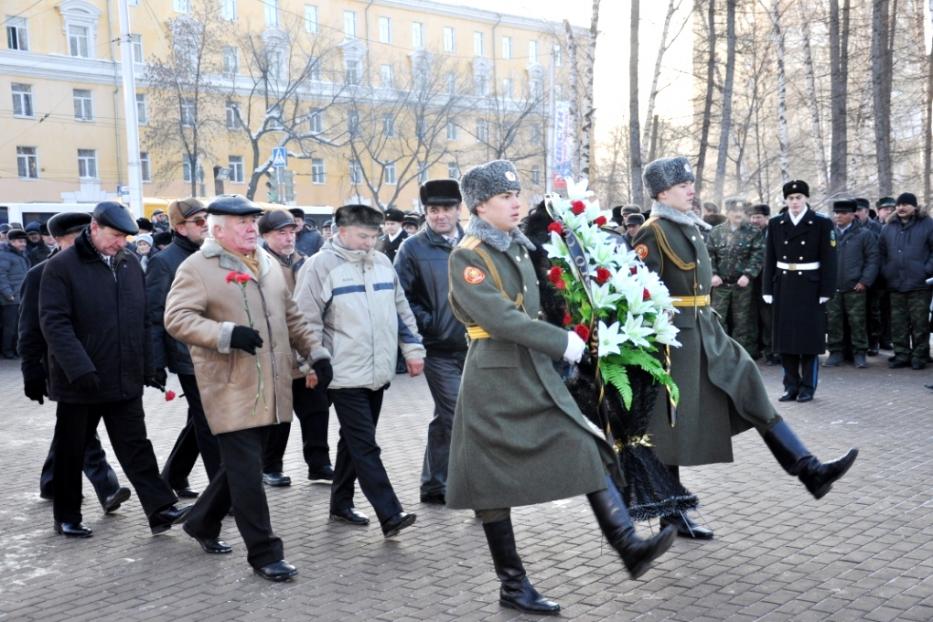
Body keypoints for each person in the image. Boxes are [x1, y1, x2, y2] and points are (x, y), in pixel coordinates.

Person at [448, 160, 676, 615]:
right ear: (479, 206)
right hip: (495, 377)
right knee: (492, 484)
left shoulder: (515, 246)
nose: (516, 203)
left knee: (585, 445)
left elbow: (538, 306)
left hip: (532, 370)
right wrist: (562, 343)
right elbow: (499, 318)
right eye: (504, 198)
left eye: (517, 195)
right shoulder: (469, 255)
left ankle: (628, 545)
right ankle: (513, 585)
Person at [633, 158, 858, 540]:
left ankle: (809, 469)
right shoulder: (652, 233)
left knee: (750, 388)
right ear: (661, 193)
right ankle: (673, 514)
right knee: (669, 425)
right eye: (682, 184)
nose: (691, 189)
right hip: (675, 341)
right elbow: (637, 292)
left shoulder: (687, 226)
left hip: (707, 330)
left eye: (691, 182)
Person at [165, 195, 332, 582]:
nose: (250, 228)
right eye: (240, 223)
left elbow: (291, 314)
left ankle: (202, 522)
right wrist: (225, 333)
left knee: (246, 466)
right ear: (216, 229)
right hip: (230, 384)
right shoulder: (197, 268)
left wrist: (315, 352)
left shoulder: (267, 262)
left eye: (252, 221)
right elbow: (176, 318)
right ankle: (264, 553)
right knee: (246, 475)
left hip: (272, 385)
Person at [40, 201, 190, 538]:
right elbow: (55, 324)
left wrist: (149, 364)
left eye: (125, 236)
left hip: (124, 377)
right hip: (81, 382)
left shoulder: (129, 264)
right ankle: (67, 515)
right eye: (115, 235)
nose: (121, 242)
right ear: (94, 227)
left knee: (137, 446)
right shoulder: (62, 266)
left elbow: (140, 319)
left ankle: (161, 509)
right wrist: (80, 369)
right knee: (71, 450)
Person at [295, 204, 421, 538]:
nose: (369, 243)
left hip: (378, 371)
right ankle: (390, 512)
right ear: (342, 231)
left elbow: (401, 310)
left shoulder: (381, 263)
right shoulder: (318, 267)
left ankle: (340, 504)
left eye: (373, 237)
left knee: (353, 442)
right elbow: (304, 321)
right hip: (341, 372)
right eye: (363, 236)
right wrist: (312, 362)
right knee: (365, 444)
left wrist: (412, 349)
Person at [20, 211, 130, 513]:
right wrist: (31, 368)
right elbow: (30, 327)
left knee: (72, 431)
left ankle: (52, 482)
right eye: (71, 240)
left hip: (96, 366)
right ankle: (107, 486)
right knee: (81, 431)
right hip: (61, 367)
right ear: (56, 241)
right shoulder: (40, 274)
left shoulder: (100, 267)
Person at [395, 179, 467, 505]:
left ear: (458, 209)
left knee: (445, 418)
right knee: (461, 417)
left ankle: (433, 484)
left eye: (446, 209)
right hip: (438, 349)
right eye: (433, 210)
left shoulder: (474, 244)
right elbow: (401, 298)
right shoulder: (412, 248)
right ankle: (479, 492)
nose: (440, 216)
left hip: (475, 347)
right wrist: (429, 324)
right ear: (425, 212)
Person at [145, 198, 219, 499]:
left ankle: (173, 476)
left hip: (215, 349)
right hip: (187, 355)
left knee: (199, 421)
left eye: (208, 220)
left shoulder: (213, 255)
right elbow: (154, 315)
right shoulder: (165, 262)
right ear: (179, 227)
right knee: (210, 423)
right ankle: (220, 494)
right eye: (199, 221)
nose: (206, 226)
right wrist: (156, 363)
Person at [258, 210, 334, 487]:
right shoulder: (258, 265)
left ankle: (319, 464)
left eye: (291, 231)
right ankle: (270, 466)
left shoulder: (305, 262)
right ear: (265, 236)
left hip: (306, 347)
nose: (289, 237)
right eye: (281, 232)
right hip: (276, 352)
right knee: (279, 415)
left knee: (317, 409)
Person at [761, 179, 837, 402]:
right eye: (791, 198)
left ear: (806, 199)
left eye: (799, 198)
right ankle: (790, 385)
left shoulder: (821, 223)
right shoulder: (776, 223)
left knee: (808, 340)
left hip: (810, 287)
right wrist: (768, 287)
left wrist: (826, 289)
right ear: (786, 200)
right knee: (786, 341)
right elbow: (770, 258)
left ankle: (807, 387)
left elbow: (830, 259)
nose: (794, 202)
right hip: (784, 284)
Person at [878, 192, 933, 370]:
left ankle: (920, 356)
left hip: (919, 285)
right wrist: (887, 271)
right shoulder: (888, 227)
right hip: (895, 284)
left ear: (914, 207)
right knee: (898, 323)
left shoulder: (928, 225)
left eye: (906, 205)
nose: (901, 208)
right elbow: (881, 253)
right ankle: (901, 354)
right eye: (899, 205)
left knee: (920, 323)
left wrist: (926, 270)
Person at [823, 200, 879, 369]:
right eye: (836, 213)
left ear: (852, 215)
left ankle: (859, 353)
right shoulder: (829, 233)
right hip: (833, 287)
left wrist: (864, 281)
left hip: (855, 287)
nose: (838, 216)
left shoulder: (864, 234)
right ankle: (835, 353)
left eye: (842, 213)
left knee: (857, 322)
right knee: (833, 321)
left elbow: (873, 260)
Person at [706, 202, 765, 357]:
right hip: (721, 284)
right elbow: (708, 254)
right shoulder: (716, 232)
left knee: (743, 320)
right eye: (734, 211)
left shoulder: (753, 232)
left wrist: (748, 274)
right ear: (728, 212)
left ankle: (742, 355)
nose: (738, 214)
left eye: (741, 211)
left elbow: (758, 255)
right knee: (718, 318)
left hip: (742, 284)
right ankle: (721, 353)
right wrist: (713, 274)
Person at [0, 228, 30, 358]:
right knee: (10, 327)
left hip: (20, 296)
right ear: (11, 241)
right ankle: (7, 351)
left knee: (19, 326)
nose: (23, 244)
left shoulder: (20, 254)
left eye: (24, 241)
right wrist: (8, 293)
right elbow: (1, 276)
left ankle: (16, 350)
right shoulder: (4, 255)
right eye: (20, 241)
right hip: (10, 298)